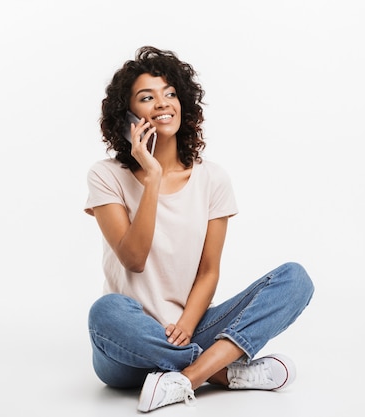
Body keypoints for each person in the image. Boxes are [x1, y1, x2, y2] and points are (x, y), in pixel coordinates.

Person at [84, 46, 314, 413]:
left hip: (190, 327)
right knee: (105, 311)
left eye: (170, 93)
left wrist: (189, 324)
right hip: (128, 345)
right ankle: (223, 372)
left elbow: (209, 271)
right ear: (127, 117)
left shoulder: (213, 179)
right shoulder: (106, 175)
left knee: (296, 279)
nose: (163, 103)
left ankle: (188, 377)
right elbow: (133, 259)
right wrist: (153, 177)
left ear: (183, 103)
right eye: (147, 97)